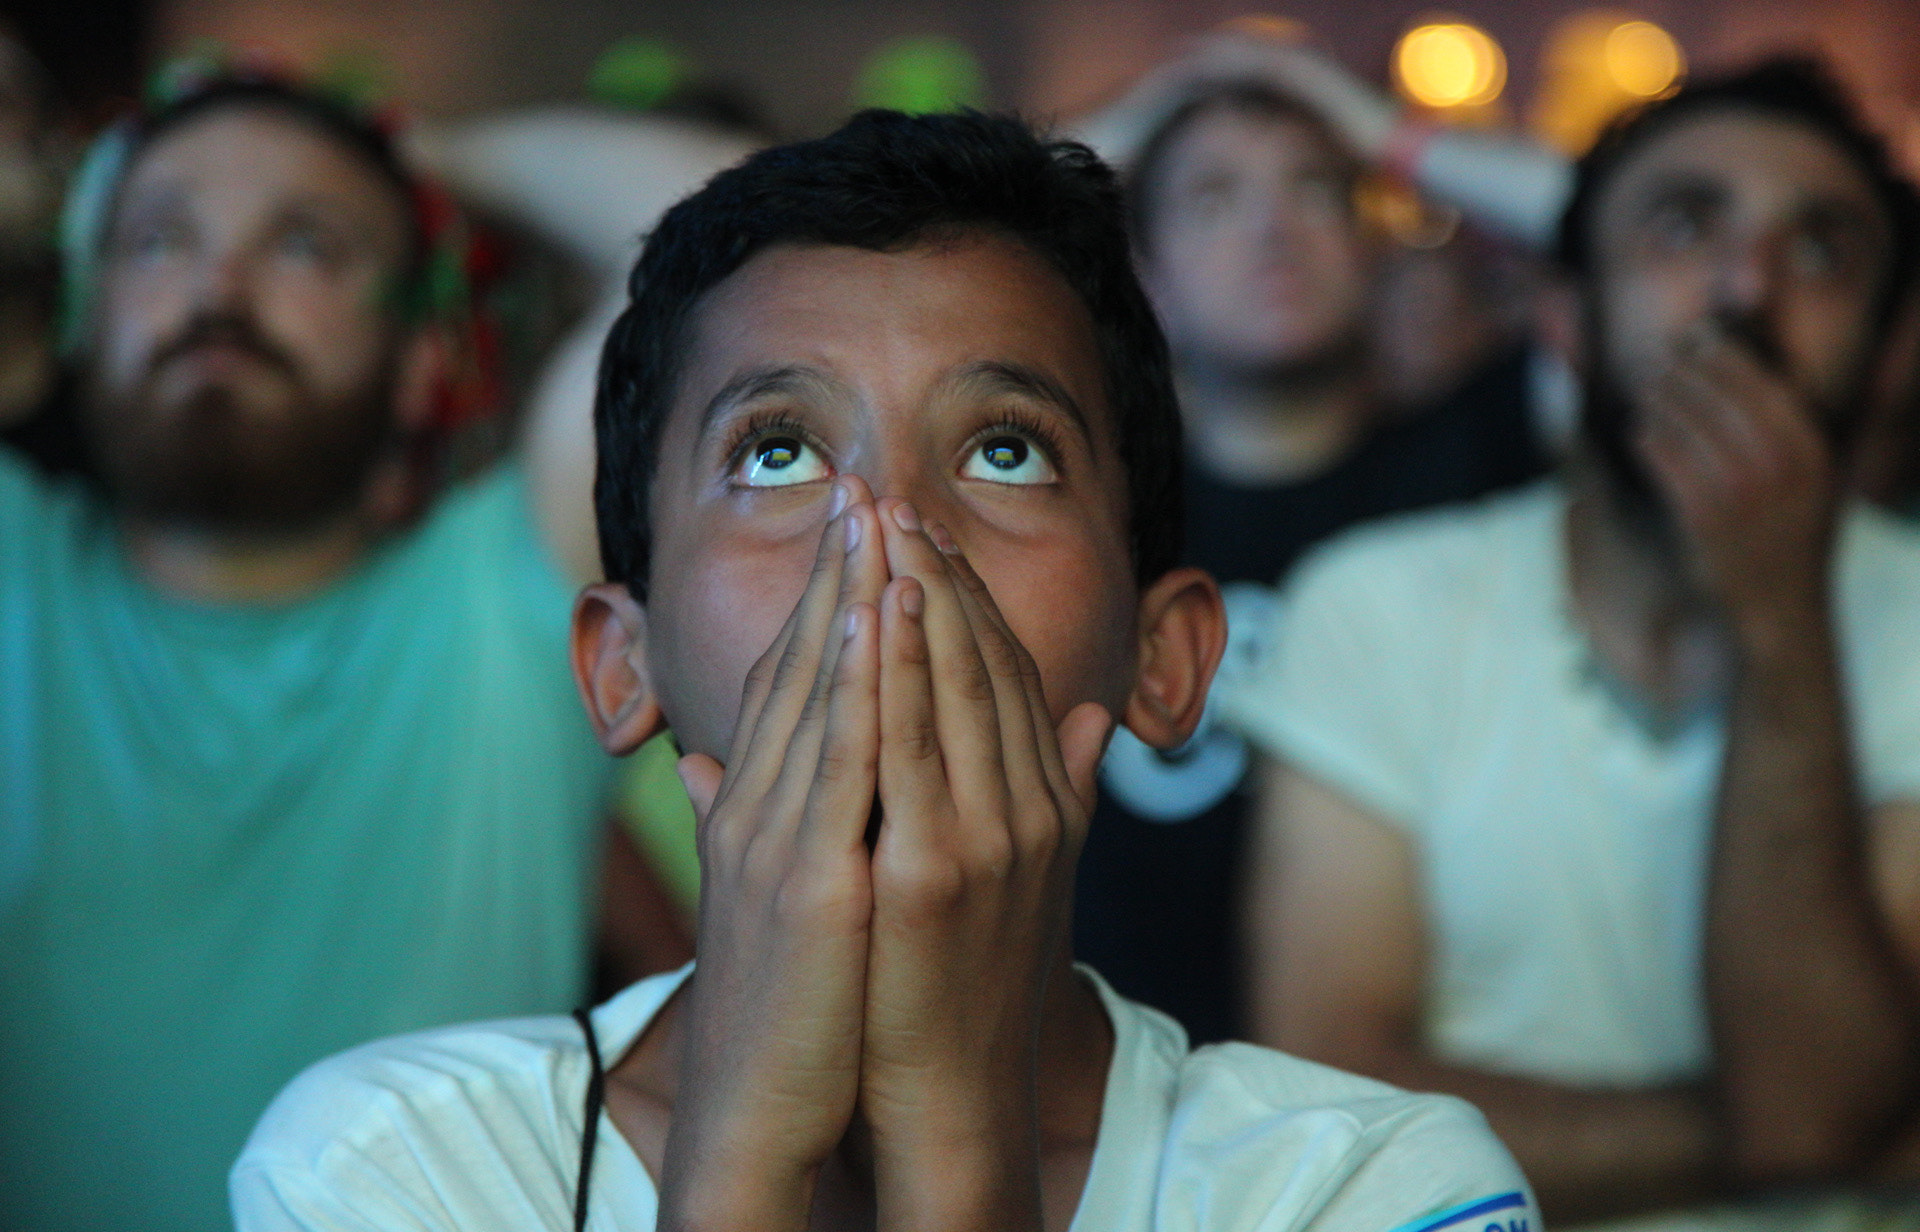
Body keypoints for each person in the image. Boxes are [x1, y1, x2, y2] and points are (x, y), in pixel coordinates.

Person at [229, 108, 1538, 1232]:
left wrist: (955, 1132)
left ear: (1165, 656)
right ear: (623, 666)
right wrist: (747, 1143)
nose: (888, 543)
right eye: (781, 454)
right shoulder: (397, 1163)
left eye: (1006, 453)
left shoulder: (1366, 1186)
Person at [0, 66, 693, 1232]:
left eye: (306, 246)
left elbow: (758, 239)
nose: (218, 287)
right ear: (89, 316)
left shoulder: (519, 602)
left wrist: (432, 149)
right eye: (161, 241)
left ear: (424, 360)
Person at [1238, 56, 1920, 1228]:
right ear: (1566, 321)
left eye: (1821, 252)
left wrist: (1779, 616)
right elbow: (1333, 1096)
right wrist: (1814, 1131)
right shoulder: (1378, 604)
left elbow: (1816, 1097)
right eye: (1680, 227)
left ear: (1888, 349)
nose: (1745, 289)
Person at [1071, 44, 1549, 1043]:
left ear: (1374, 243)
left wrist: (1388, 134)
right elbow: (846, 251)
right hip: (1130, 1106)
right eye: (1213, 199)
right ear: (1147, 276)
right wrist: (1114, 136)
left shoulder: (1481, 457)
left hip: (1419, 1095)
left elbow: (1636, 238)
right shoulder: (1082, 510)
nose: (1271, 231)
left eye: (1316, 189)